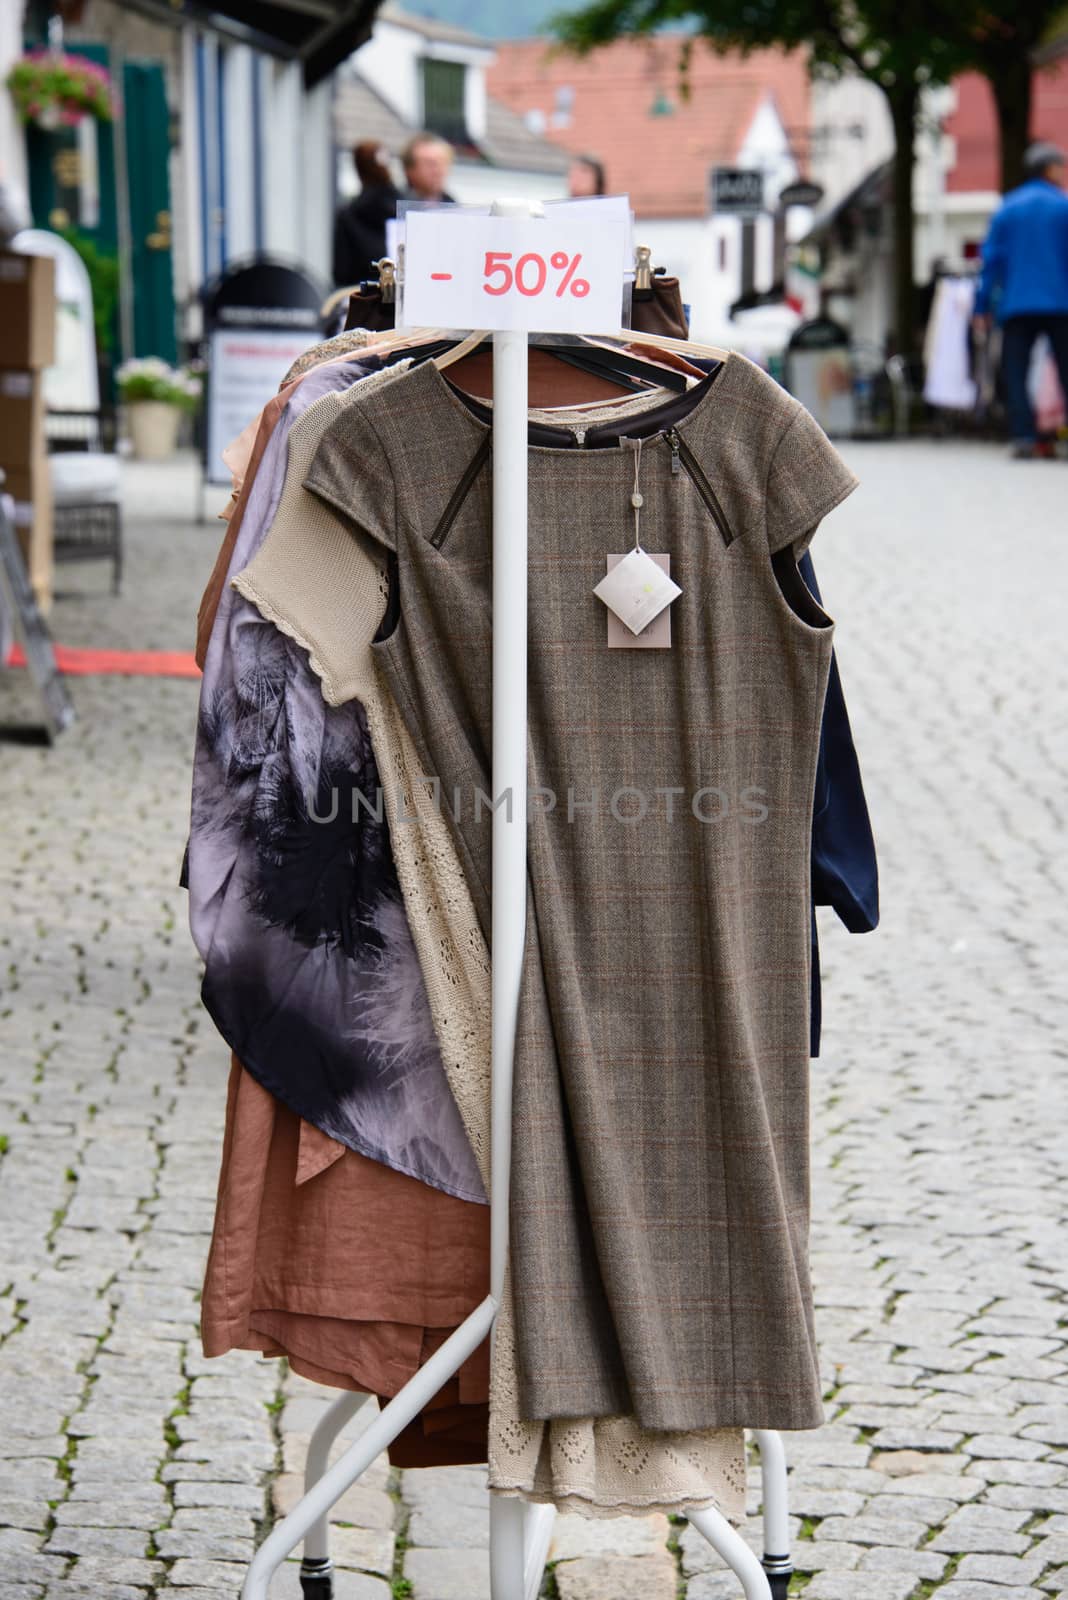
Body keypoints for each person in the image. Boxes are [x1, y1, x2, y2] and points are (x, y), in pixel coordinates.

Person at [974, 140, 1068, 457]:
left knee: (1016, 371)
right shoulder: (1063, 206)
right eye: (1060, 166)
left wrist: (981, 305)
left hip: (1018, 303)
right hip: (1060, 303)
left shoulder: (1008, 207)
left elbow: (992, 261)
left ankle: (1024, 437)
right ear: (1047, 169)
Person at [332, 141, 401, 289]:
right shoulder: (405, 210)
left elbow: (341, 273)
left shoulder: (348, 215)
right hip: (401, 296)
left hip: (364, 300)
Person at [402, 133, 455, 204]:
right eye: (430, 164)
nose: (438, 171)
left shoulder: (454, 207)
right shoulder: (391, 208)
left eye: (443, 162)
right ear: (409, 170)